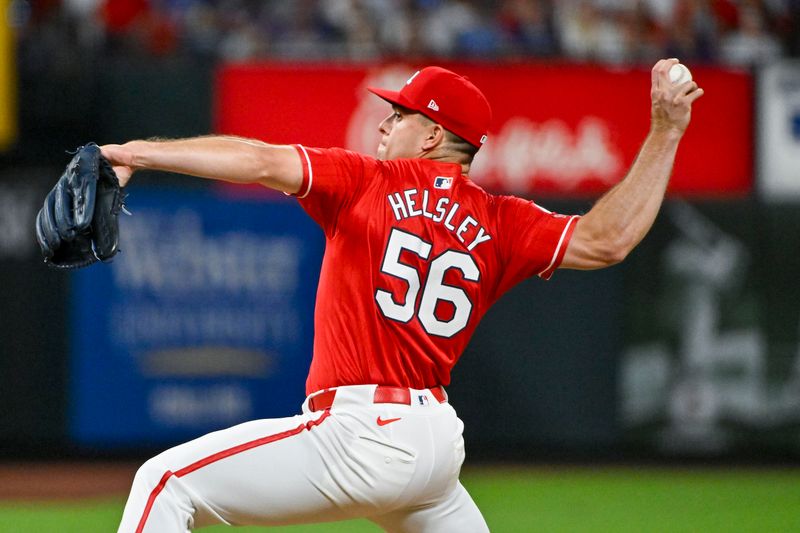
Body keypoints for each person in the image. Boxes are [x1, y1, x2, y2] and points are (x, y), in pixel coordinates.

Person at [103, 58, 703, 532]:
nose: (386, 123)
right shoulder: (501, 220)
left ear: (433, 134)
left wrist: (137, 153)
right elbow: (609, 240)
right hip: (435, 447)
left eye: (401, 114)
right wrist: (666, 131)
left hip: (360, 434)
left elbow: (259, 160)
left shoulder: (364, 180)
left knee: (165, 482)